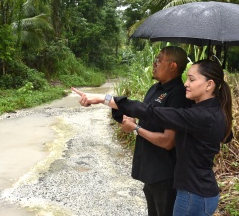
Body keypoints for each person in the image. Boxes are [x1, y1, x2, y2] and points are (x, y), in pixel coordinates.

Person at [72, 59, 233, 216]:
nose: (186, 84)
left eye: (191, 79)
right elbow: (226, 137)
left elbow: (152, 112)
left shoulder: (201, 116)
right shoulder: (214, 110)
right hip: (200, 191)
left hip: (193, 195)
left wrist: (103, 99)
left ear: (209, 85)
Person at [113, 46, 192, 216]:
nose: (154, 63)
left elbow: (168, 141)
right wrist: (131, 120)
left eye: (159, 60)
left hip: (164, 174)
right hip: (149, 170)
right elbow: (146, 118)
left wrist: (135, 128)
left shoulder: (178, 95)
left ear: (173, 66)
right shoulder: (155, 88)